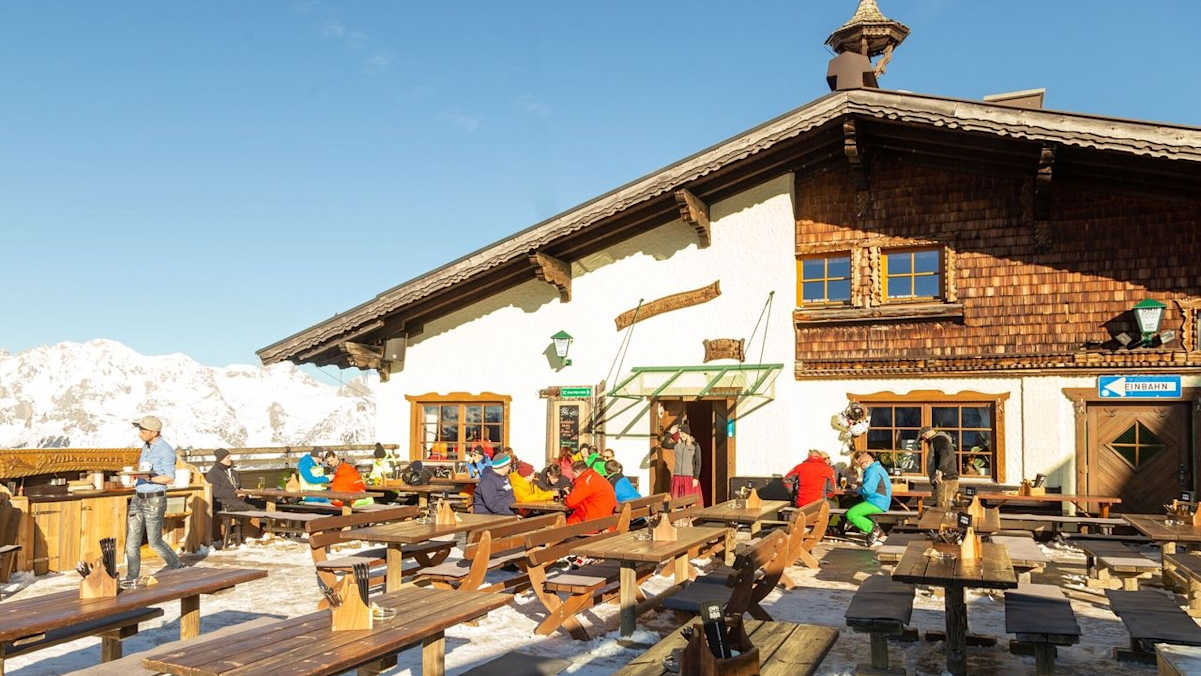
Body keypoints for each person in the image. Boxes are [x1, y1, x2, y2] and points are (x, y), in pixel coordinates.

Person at [125, 415, 182, 581]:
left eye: (143, 431)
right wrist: (137, 477)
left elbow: (169, 478)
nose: (140, 434)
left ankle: (177, 566)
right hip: (138, 497)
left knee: (154, 542)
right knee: (132, 542)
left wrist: (149, 478)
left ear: (154, 432)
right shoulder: (146, 447)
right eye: (140, 430)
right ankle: (131, 577)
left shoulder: (165, 450)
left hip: (154, 499)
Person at [847, 451, 891, 547]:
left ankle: (873, 530)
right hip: (880, 500)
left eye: (860, 465)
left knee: (851, 514)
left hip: (877, 502)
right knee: (860, 512)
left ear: (866, 463)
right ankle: (879, 533)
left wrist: (857, 489)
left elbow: (868, 490)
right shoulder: (877, 468)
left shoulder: (872, 471)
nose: (861, 468)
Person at [564, 460, 617, 524]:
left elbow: (570, 502)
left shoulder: (585, 481)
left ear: (577, 472)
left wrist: (567, 496)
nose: (572, 477)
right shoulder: (595, 476)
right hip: (607, 518)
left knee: (562, 526)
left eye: (572, 474)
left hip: (594, 522)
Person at [920, 426, 959, 508]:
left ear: (926, 434)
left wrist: (940, 471)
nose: (924, 440)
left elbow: (945, 454)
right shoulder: (937, 440)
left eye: (923, 437)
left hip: (945, 480)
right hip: (945, 480)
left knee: (942, 508)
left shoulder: (939, 439)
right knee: (943, 508)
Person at [670, 430, 702, 500]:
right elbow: (664, 444)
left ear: (688, 434)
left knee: (690, 501)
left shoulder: (695, 445)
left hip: (689, 478)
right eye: (681, 433)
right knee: (677, 502)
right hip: (677, 478)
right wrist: (670, 432)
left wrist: (696, 478)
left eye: (685, 433)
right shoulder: (677, 445)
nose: (683, 435)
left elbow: (698, 463)